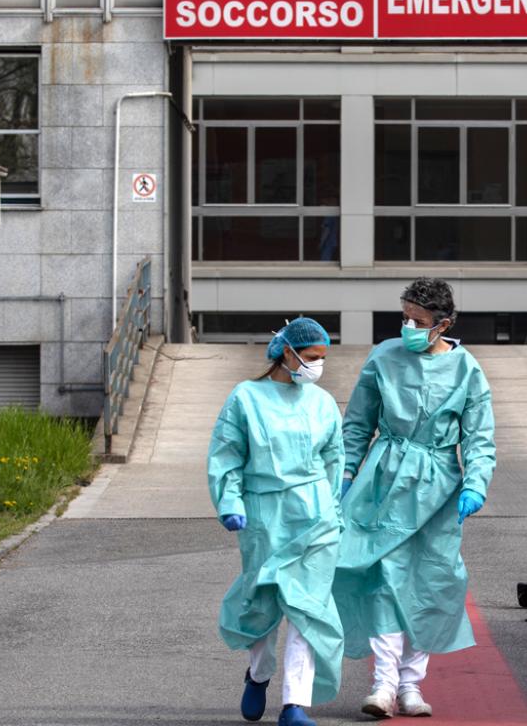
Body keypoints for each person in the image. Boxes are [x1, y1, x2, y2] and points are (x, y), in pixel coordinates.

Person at [334, 278, 497, 719]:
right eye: (403, 317)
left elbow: (479, 436)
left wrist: (476, 482)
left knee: (429, 582)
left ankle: (411, 684)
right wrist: (346, 472)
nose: (407, 326)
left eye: (418, 321)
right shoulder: (383, 357)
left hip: (438, 487)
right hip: (384, 480)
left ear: (442, 325)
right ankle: (384, 684)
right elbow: (358, 422)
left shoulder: (467, 370)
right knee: (385, 579)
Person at [207, 317, 346, 726]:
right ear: (287, 352)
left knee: (309, 610)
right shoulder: (245, 398)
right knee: (263, 604)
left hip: (316, 516)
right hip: (265, 515)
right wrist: (229, 500)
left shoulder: (321, 402)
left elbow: (333, 459)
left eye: (322, 358)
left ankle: (294, 704)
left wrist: (335, 511)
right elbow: (227, 454)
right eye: (312, 357)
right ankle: (258, 675)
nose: (317, 366)